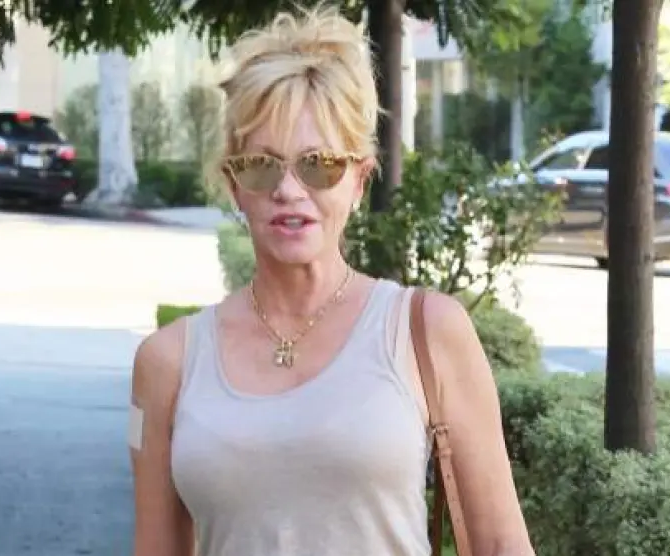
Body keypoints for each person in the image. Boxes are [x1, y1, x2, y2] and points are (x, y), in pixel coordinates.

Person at [129, 6, 534, 555]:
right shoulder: (166, 363)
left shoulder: (428, 331)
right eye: (261, 165)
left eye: (319, 164)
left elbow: (502, 543)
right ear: (234, 183)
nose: (289, 190)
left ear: (359, 180)